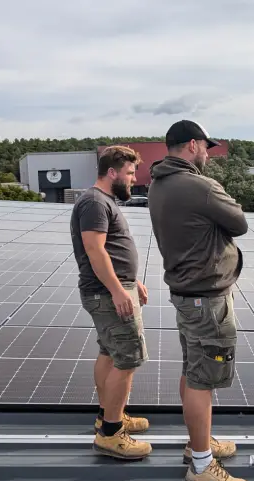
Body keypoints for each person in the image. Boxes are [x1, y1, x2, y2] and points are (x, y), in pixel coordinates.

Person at [148, 120, 249, 481]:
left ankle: (197, 442)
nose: (208, 153)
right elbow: (239, 222)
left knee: (193, 370)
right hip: (206, 299)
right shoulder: (199, 186)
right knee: (202, 379)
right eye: (207, 147)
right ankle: (203, 465)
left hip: (187, 294)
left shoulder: (159, 182)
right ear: (193, 145)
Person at [70, 145, 152, 461]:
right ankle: (111, 433)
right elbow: (95, 250)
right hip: (107, 295)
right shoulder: (94, 202)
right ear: (113, 172)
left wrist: (132, 283)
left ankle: (108, 414)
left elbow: (112, 251)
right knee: (128, 358)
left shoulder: (102, 201)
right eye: (130, 173)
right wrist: (119, 291)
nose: (133, 179)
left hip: (113, 290)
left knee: (109, 352)